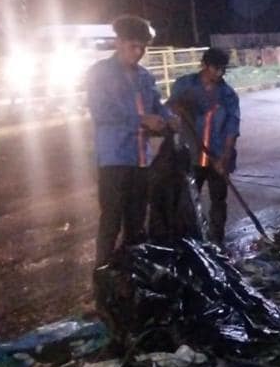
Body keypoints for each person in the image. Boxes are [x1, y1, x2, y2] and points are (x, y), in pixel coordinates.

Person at [86, 15, 170, 269]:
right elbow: (102, 112)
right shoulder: (100, 73)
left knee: (136, 223)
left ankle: (132, 281)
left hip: (141, 159)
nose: (139, 52)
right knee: (111, 221)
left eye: (143, 47)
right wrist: (142, 120)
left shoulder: (145, 77)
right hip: (113, 160)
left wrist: (170, 119)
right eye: (134, 46)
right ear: (119, 43)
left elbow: (157, 105)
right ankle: (102, 279)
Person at [169, 48, 240, 246]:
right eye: (215, 68)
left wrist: (224, 158)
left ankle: (218, 241)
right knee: (189, 201)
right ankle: (191, 242)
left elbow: (232, 129)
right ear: (204, 65)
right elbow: (169, 108)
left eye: (222, 70)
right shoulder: (184, 85)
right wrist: (177, 107)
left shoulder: (228, 95)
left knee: (219, 201)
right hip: (191, 156)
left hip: (218, 156)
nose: (219, 74)